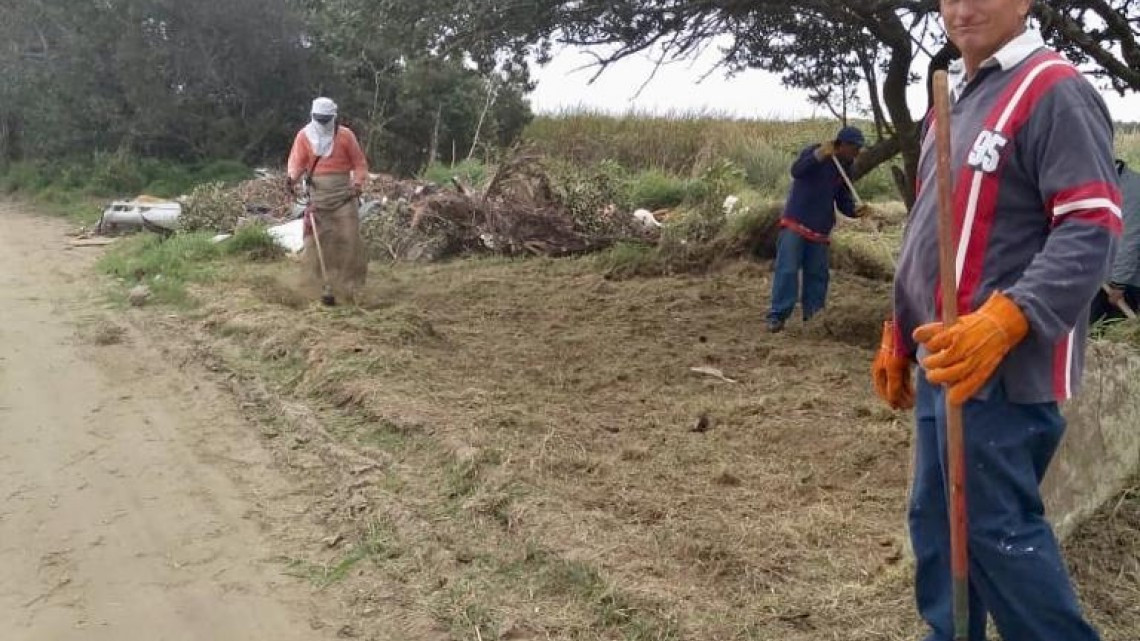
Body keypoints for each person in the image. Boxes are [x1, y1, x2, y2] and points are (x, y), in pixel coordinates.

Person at [872, 1, 1121, 639]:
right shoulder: (950, 96)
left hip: (1003, 369)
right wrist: (898, 329)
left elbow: (1091, 226)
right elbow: (929, 227)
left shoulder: (1054, 91)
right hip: (944, 356)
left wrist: (1009, 317)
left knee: (993, 532)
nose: (963, 7)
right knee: (936, 526)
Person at [766, 125, 870, 333]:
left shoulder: (845, 168)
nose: (857, 153)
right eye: (855, 148)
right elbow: (797, 171)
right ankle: (777, 316)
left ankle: (814, 318)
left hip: (820, 227)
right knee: (787, 270)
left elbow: (842, 200)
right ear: (843, 145)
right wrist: (819, 154)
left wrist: (855, 211)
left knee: (817, 275)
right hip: (796, 221)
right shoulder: (816, 152)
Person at [286, 97, 369, 303]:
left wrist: (357, 184)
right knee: (314, 243)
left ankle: (351, 285)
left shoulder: (346, 136)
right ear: (313, 116)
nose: (322, 123)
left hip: (344, 196)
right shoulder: (304, 136)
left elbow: (359, 164)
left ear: (333, 117)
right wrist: (291, 180)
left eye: (326, 119)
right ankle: (313, 285)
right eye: (319, 118)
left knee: (350, 239)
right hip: (318, 198)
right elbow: (296, 163)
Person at [1090, 159, 1140, 325]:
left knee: (1114, 327)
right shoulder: (1097, 186)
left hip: (1130, 281)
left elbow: (1129, 242)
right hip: (1103, 274)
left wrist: (1118, 284)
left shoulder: (1133, 192)